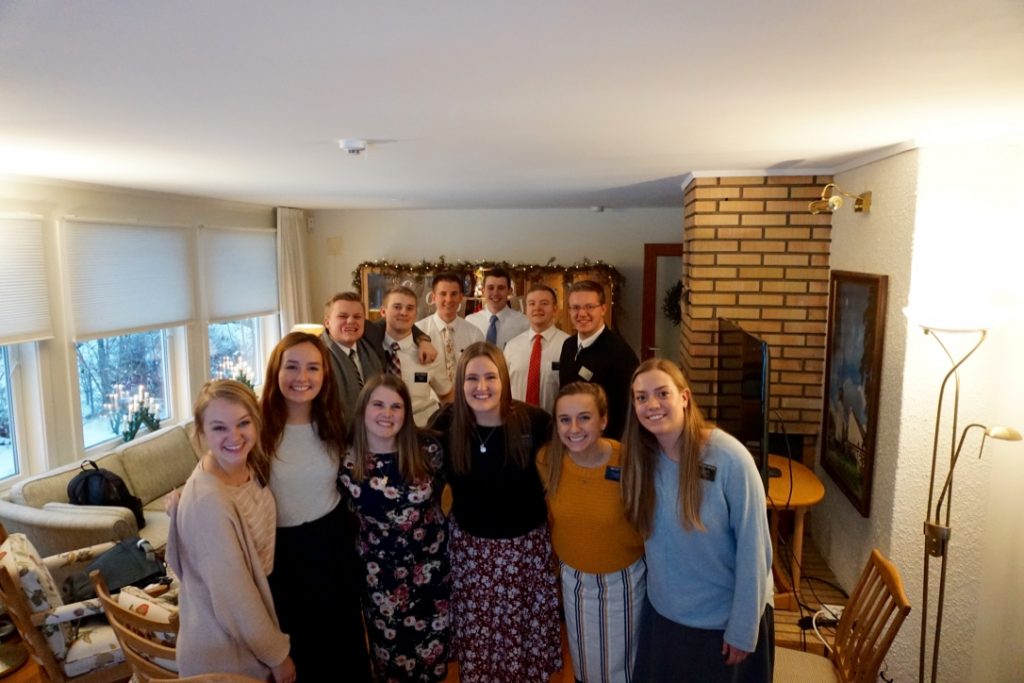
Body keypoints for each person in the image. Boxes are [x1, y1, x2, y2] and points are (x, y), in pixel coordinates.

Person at [623, 359, 774, 683]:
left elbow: (755, 550)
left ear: (684, 397)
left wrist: (743, 629)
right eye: (641, 397)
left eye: (662, 393)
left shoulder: (730, 458)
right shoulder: (642, 459)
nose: (652, 405)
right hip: (664, 617)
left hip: (723, 625)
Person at [428, 342, 562, 683]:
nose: (482, 386)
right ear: (460, 383)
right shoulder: (447, 423)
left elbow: (571, 457)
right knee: (480, 646)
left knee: (523, 645)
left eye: (490, 377)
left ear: (504, 378)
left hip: (525, 555)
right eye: (472, 378)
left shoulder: (533, 421)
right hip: (472, 557)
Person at [166, 380, 296, 682]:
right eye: (219, 428)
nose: (235, 436)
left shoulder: (245, 466)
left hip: (252, 629)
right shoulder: (209, 501)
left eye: (243, 423)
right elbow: (236, 597)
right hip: (226, 651)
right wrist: (277, 656)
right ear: (202, 433)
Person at [259, 332, 371, 681]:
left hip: (333, 544)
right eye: (292, 367)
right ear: (276, 371)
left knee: (344, 648)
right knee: (302, 653)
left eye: (312, 367)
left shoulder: (333, 420)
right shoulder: (259, 428)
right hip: (284, 554)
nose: (302, 377)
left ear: (325, 374)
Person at [338, 373, 450, 682]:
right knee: (390, 664)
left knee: (432, 661)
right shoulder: (345, 459)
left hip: (431, 574)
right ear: (363, 408)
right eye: (378, 404)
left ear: (406, 412)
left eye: (396, 406)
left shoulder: (428, 449)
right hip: (380, 581)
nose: (386, 414)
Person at [536, 382, 645, 683]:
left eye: (584, 417)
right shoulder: (547, 461)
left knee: (623, 668)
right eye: (565, 419)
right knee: (586, 666)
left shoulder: (630, 460)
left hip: (624, 581)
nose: (574, 428)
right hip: (575, 582)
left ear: (603, 420)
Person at [322, 291, 435, 426]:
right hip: (335, 433)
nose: (351, 321)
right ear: (327, 322)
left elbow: (400, 321)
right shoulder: (317, 356)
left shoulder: (370, 338)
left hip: (379, 431)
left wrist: (423, 340)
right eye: (342, 316)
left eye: (357, 316)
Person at [558, 279, 639, 439]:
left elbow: (624, 412)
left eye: (589, 307)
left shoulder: (620, 353)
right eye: (576, 307)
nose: (582, 314)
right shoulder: (568, 345)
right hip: (571, 437)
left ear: (603, 309)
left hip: (602, 443)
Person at [381, 285, 453, 426]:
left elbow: (446, 394)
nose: (404, 312)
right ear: (383, 311)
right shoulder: (370, 349)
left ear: (416, 313)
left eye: (410, 308)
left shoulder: (430, 354)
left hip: (420, 429)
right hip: (380, 429)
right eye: (397, 307)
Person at [505, 283, 569, 413]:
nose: (537, 308)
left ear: (555, 309)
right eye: (532, 304)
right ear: (526, 309)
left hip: (554, 422)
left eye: (544, 303)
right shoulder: (512, 346)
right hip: (516, 420)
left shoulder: (568, 345)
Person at [415, 272, 484, 383]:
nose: (448, 299)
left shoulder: (474, 334)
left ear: (461, 297)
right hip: (429, 394)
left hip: (464, 393)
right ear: (433, 297)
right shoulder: (418, 331)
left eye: (454, 294)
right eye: (443, 294)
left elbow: (480, 371)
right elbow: (415, 373)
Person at [464, 267, 529, 349]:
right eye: (490, 288)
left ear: (510, 291)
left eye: (501, 288)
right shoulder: (470, 321)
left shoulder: (523, 323)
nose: (495, 293)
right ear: (483, 291)